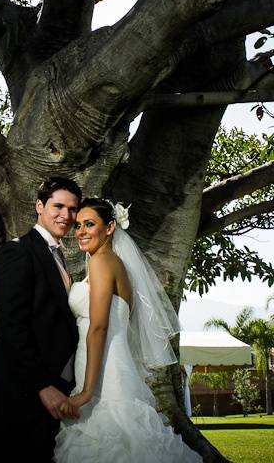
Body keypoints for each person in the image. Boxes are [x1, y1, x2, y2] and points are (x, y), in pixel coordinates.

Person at [54, 198, 201, 462]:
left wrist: (86, 392)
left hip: (103, 377)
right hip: (109, 367)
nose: (81, 232)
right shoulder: (111, 263)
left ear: (110, 227)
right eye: (77, 226)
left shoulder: (101, 262)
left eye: (90, 224)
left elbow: (98, 327)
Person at [0, 177, 83, 462]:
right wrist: (42, 386)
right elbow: (12, 327)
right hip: (25, 395)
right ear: (39, 206)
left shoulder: (59, 255)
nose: (65, 216)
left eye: (72, 209)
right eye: (58, 206)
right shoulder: (17, 252)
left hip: (59, 391)